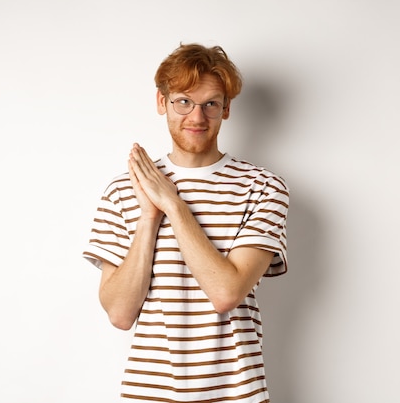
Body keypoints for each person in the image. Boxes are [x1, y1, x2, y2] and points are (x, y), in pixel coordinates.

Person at [83, 43, 289, 403]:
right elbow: (119, 313)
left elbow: (226, 293)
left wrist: (173, 206)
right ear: (162, 102)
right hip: (149, 394)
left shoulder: (263, 187)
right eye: (183, 101)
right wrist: (149, 216)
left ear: (226, 109)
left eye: (210, 103)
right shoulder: (123, 190)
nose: (196, 117)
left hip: (236, 395)